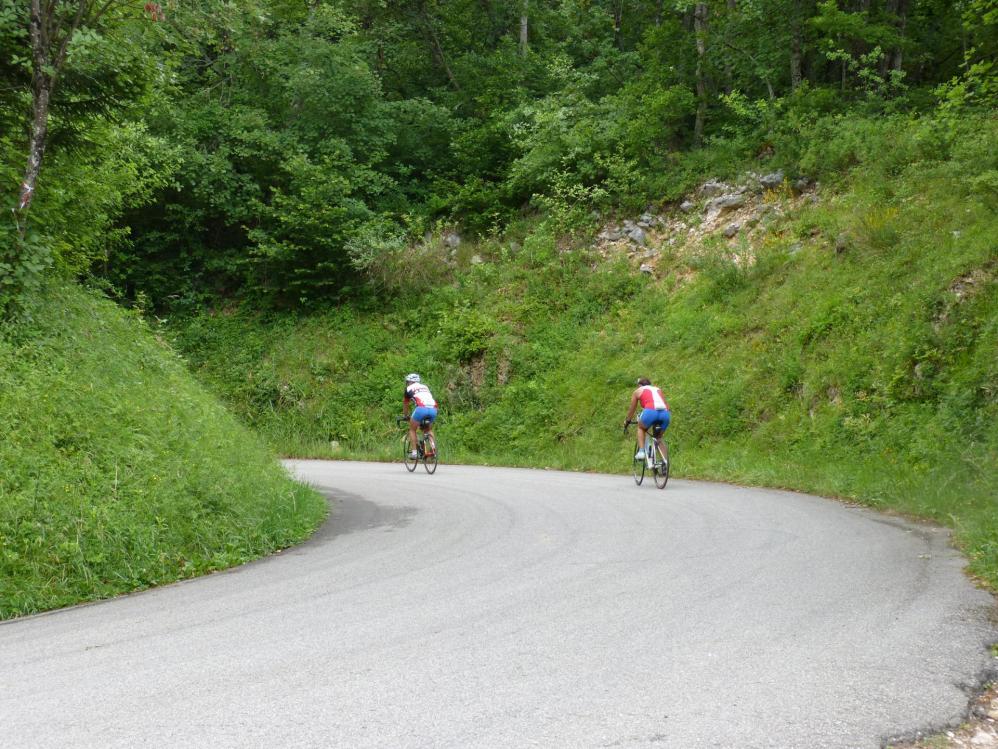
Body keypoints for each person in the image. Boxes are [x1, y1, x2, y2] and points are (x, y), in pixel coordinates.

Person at [623, 377, 671, 466]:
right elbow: (666, 405)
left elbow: (632, 409)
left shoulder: (638, 391)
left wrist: (627, 421)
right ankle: (665, 463)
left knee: (641, 428)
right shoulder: (658, 389)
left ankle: (641, 452)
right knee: (658, 438)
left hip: (650, 412)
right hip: (665, 414)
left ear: (639, 385)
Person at [403, 373, 438, 459]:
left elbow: (406, 404)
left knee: (412, 429)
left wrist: (406, 415)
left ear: (411, 382)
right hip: (434, 409)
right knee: (428, 429)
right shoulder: (425, 387)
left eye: (407, 381)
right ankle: (433, 449)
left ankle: (414, 453)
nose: (407, 383)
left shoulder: (408, 388)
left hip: (421, 409)